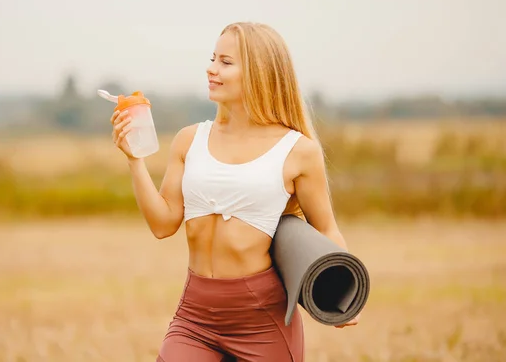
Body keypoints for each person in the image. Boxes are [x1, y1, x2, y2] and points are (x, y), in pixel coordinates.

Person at [109, 22, 359, 362]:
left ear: (258, 73)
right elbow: (163, 224)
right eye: (213, 58)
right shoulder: (189, 140)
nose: (211, 69)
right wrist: (135, 161)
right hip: (194, 316)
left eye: (225, 62)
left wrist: (346, 295)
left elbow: (326, 229)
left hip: (261, 320)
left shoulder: (298, 151)